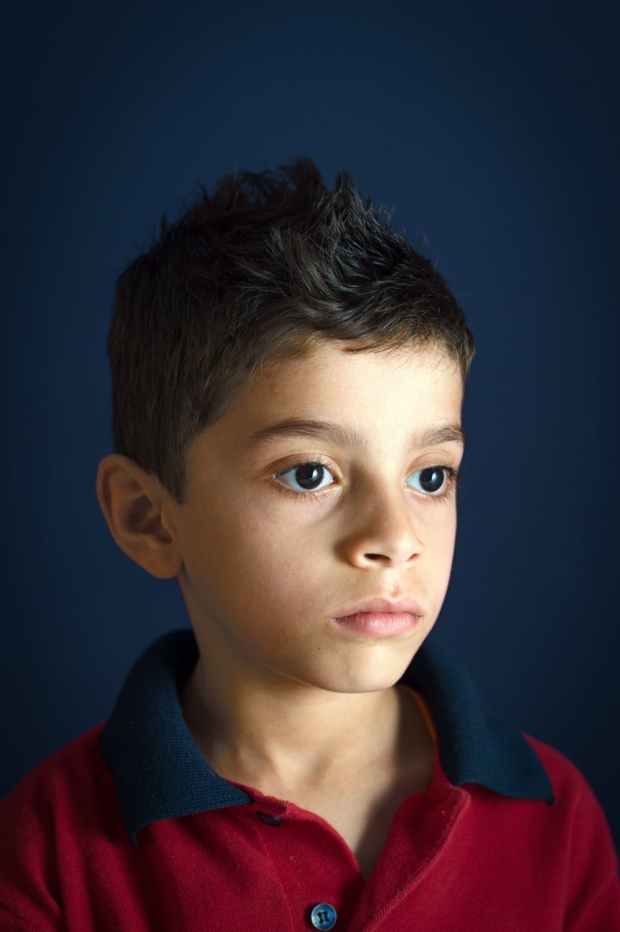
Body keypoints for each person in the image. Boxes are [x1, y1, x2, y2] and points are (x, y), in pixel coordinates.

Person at [1, 158, 618, 931]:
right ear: (148, 519)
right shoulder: (45, 854)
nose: (392, 539)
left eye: (430, 477)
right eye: (310, 472)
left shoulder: (558, 825)